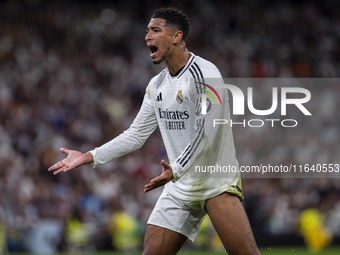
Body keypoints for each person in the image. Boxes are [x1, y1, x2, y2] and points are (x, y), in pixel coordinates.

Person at [49, 7, 260, 255]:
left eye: (155, 30)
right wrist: (90, 156)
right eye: (147, 30)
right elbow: (136, 134)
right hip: (179, 185)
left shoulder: (205, 74)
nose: (147, 36)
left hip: (214, 182)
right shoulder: (157, 85)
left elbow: (207, 132)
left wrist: (177, 167)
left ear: (176, 36)